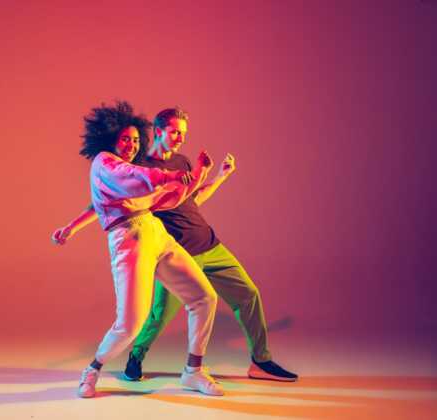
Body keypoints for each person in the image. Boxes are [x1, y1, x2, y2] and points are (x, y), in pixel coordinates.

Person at [53, 107, 298, 382]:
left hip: (203, 242)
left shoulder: (181, 162)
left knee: (237, 295)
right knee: (153, 317)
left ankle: (249, 362)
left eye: (183, 133)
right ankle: (129, 358)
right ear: (158, 132)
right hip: (164, 244)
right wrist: (72, 226)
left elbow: (190, 198)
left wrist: (215, 176)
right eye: (175, 132)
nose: (181, 138)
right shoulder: (134, 165)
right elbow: (106, 199)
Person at [66, 101, 224, 398]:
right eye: (125, 139)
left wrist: (200, 175)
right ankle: (92, 370)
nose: (132, 145)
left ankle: (193, 371)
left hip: (155, 231)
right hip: (128, 240)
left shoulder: (131, 166)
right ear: (110, 137)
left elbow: (166, 199)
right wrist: (171, 176)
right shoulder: (104, 162)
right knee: (130, 325)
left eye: (137, 140)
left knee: (204, 298)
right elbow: (137, 181)